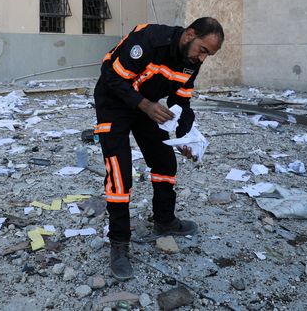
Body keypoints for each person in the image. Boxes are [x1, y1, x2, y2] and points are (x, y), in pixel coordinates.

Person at [93, 17, 224, 280]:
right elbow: (111, 77)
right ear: (189, 34)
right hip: (113, 101)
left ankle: (164, 221)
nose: (202, 59)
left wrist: (186, 137)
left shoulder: (191, 62)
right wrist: (144, 105)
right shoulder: (150, 40)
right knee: (120, 174)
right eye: (203, 50)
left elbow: (181, 103)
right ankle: (119, 244)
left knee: (165, 162)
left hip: (146, 105)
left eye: (208, 54)